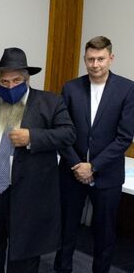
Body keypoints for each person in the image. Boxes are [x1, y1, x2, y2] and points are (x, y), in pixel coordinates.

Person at [0, 47, 76, 272]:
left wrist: (33, 137)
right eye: (4, 82)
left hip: (29, 196)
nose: (10, 87)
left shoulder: (50, 102)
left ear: (27, 79)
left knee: (24, 259)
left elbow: (68, 134)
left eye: (16, 81)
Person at [55, 36, 134, 273]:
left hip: (107, 174)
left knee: (105, 232)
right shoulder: (71, 88)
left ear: (111, 58)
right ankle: (62, 269)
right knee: (66, 228)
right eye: (90, 59)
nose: (95, 64)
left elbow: (124, 137)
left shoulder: (127, 89)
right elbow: (62, 132)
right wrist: (78, 165)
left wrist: (93, 166)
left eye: (100, 59)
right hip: (71, 171)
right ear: (85, 59)